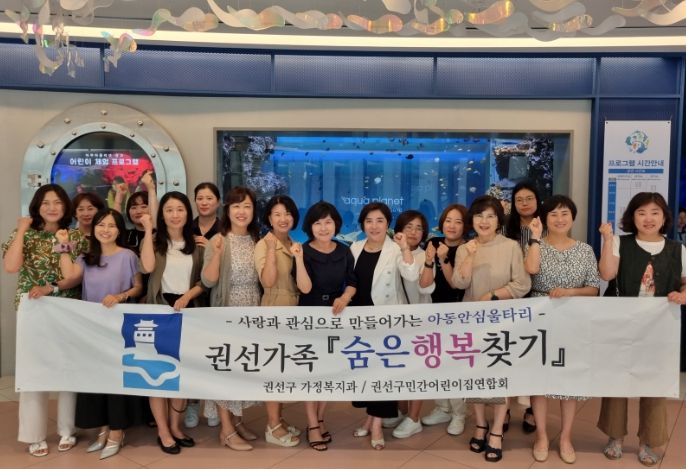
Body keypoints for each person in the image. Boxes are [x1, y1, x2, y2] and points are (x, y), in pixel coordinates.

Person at [597, 192, 686, 467]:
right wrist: (607, 240)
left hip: (659, 327)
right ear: (632, 217)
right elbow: (607, 274)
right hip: (620, 324)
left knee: (655, 384)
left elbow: (685, 281)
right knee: (617, 380)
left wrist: (684, 293)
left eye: (655, 212)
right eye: (642, 212)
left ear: (664, 217)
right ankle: (615, 437)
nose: (648, 218)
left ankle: (648, 441)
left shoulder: (677, 249)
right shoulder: (620, 243)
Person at [2, 184, 88, 457]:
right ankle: (33, 435)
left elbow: (74, 276)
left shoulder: (75, 235)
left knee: (68, 369)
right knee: (33, 371)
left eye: (58, 202)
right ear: (37, 207)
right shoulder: (25, 234)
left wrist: (52, 286)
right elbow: (11, 266)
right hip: (32, 309)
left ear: (66, 206)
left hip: (67, 307)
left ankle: (68, 429)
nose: (52, 208)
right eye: (46, 203)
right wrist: (21, 230)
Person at [56, 209, 148, 459]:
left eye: (111, 225)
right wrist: (63, 245)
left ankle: (117, 431)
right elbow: (69, 277)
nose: (105, 230)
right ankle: (103, 428)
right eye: (101, 225)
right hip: (92, 328)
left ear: (119, 230)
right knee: (96, 378)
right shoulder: (86, 257)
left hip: (119, 326)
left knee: (116, 378)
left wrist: (120, 296)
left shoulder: (128, 255)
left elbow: (138, 287)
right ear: (94, 228)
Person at [452, 195, 531, 463]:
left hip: (502, 321)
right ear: (472, 220)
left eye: (490, 216)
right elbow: (459, 283)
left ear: (499, 220)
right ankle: (480, 425)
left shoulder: (510, 247)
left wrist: (493, 296)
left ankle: (496, 431)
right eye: (479, 216)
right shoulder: (466, 247)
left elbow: (522, 284)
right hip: (472, 322)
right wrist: (470, 256)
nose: (484, 221)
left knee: (499, 376)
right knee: (475, 375)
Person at [523, 195, 600, 464]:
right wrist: (534, 239)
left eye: (565, 213)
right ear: (544, 219)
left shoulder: (585, 250)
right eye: (553, 214)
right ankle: (542, 436)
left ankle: (566, 437)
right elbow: (531, 269)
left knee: (570, 380)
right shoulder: (536, 246)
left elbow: (593, 289)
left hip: (573, 320)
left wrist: (570, 292)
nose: (559, 219)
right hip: (540, 318)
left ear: (573, 217)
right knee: (540, 381)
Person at [349, 202, 417, 450]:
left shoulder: (395, 249)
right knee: (365, 371)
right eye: (369, 221)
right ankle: (370, 418)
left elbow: (411, 275)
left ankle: (376, 425)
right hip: (359, 319)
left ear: (388, 224)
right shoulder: (355, 247)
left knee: (383, 373)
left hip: (386, 320)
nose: (374, 226)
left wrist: (405, 247)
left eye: (380, 220)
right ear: (362, 224)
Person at [140, 191, 204, 455]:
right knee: (157, 374)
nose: (175, 215)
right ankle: (163, 431)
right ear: (162, 215)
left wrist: (188, 296)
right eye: (169, 210)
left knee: (182, 374)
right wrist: (148, 231)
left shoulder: (197, 244)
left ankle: (176, 427)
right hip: (158, 311)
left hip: (187, 310)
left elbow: (204, 282)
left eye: (180, 209)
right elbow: (146, 268)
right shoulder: (154, 242)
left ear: (188, 213)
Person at [292, 201, 357, 451]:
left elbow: (352, 282)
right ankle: (312, 425)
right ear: (310, 227)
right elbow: (305, 288)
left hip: (335, 314)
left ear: (336, 224)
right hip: (310, 314)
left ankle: (320, 418)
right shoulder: (303, 251)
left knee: (329, 371)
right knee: (312, 372)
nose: (323, 227)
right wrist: (299, 260)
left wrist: (345, 297)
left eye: (328, 222)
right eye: (317, 223)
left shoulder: (344, 251)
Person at [201, 186, 262, 451]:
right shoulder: (218, 240)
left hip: (252, 309)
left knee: (244, 368)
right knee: (225, 369)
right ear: (227, 210)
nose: (241, 211)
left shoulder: (257, 239)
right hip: (226, 310)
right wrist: (216, 253)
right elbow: (208, 281)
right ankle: (226, 430)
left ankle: (237, 422)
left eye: (247, 206)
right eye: (236, 206)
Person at [253, 195, 302, 448]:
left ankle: (278, 420)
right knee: (274, 370)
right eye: (277, 214)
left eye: (288, 213)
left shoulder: (294, 243)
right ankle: (272, 427)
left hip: (294, 310)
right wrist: (272, 250)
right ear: (269, 219)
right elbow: (268, 281)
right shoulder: (264, 244)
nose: (283, 218)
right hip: (274, 310)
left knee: (284, 369)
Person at [419, 204, 468, 436]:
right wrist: (431, 259)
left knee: (456, 364)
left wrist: (444, 258)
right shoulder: (433, 242)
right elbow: (425, 280)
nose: (452, 226)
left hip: (459, 313)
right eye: (448, 220)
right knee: (436, 360)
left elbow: (456, 284)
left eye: (458, 221)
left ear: (465, 225)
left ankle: (459, 413)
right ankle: (442, 407)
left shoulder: (469, 248)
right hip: (433, 310)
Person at [386, 210, 434, 439]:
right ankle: (401, 410)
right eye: (409, 227)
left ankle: (414, 418)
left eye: (419, 228)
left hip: (419, 321)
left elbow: (425, 287)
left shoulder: (425, 255)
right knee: (398, 367)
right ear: (399, 230)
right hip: (395, 322)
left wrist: (430, 262)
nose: (414, 232)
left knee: (417, 370)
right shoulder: (389, 252)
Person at [504, 180, 542, 433]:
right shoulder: (506, 227)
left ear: (537, 200)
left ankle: (531, 410)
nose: (524, 203)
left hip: (538, 295)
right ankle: (504, 409)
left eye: (529, 198)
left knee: (533, 352)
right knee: (507, 352)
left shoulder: (546, 225)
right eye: (519, 200)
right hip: (510, 294)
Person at [184, 182, 222, 429]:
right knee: (191, 355)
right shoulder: (186, 227)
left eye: (209, 198)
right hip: (191, 296)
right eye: (200, 198)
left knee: (214, 354)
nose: (204, 202)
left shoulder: (225, 229)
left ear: (218, 202)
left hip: (216, 297)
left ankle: (214, 404)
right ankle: (192, 404)